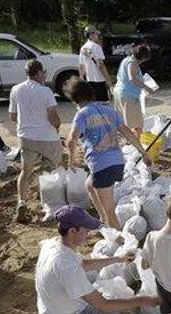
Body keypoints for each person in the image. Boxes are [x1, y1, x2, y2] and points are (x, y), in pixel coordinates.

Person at [35, 205, 160, 314]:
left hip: (54, 309)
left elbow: (84, 264)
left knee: (115, 303)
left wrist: (118, 259)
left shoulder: (54, 245)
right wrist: (143, 300)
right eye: (85, 229)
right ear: (72, 231)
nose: (89, 233)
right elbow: (103, 305)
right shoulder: (67, 267)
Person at [64, 78, 149, 229]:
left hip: (101, 166)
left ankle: (120, 242)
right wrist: (143, 152)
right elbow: (128, 133)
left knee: (109, 210)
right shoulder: (109, 110)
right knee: (89, 185)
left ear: (75, 100)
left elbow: (71, 140)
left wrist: (70, 159)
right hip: (117, 162)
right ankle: (103, 221)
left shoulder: (82, 114)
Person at [8, 59, 62, 223]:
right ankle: (51, 204)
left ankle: (21, 202)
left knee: (26, 171)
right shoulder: (45, 91)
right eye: (43, 73)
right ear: (39, 73)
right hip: (47, 137)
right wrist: (58, 126)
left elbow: (13, 116)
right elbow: (53, 117)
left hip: (26, 137)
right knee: (53, 169)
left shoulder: (16, 89)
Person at [114, 45, 155, 138]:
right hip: (128, 95)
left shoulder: (127, 59)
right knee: (136, 122)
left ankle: (129, 140)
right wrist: (146, 87)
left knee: (125, 119)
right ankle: (135, 142)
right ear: (143, 57)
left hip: (120, 92)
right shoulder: (132, 63)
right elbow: (132, 78)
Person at [79, 26, 111, 102]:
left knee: (92, 104)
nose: (97, 36)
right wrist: (108, 79)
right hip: (99, 81)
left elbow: (81, 65)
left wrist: (82, 79)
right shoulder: (96, 47)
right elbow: (101, 64)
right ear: (91, 35)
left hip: (89, 80)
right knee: (103, 104)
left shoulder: (83, 48)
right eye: (96, 34)